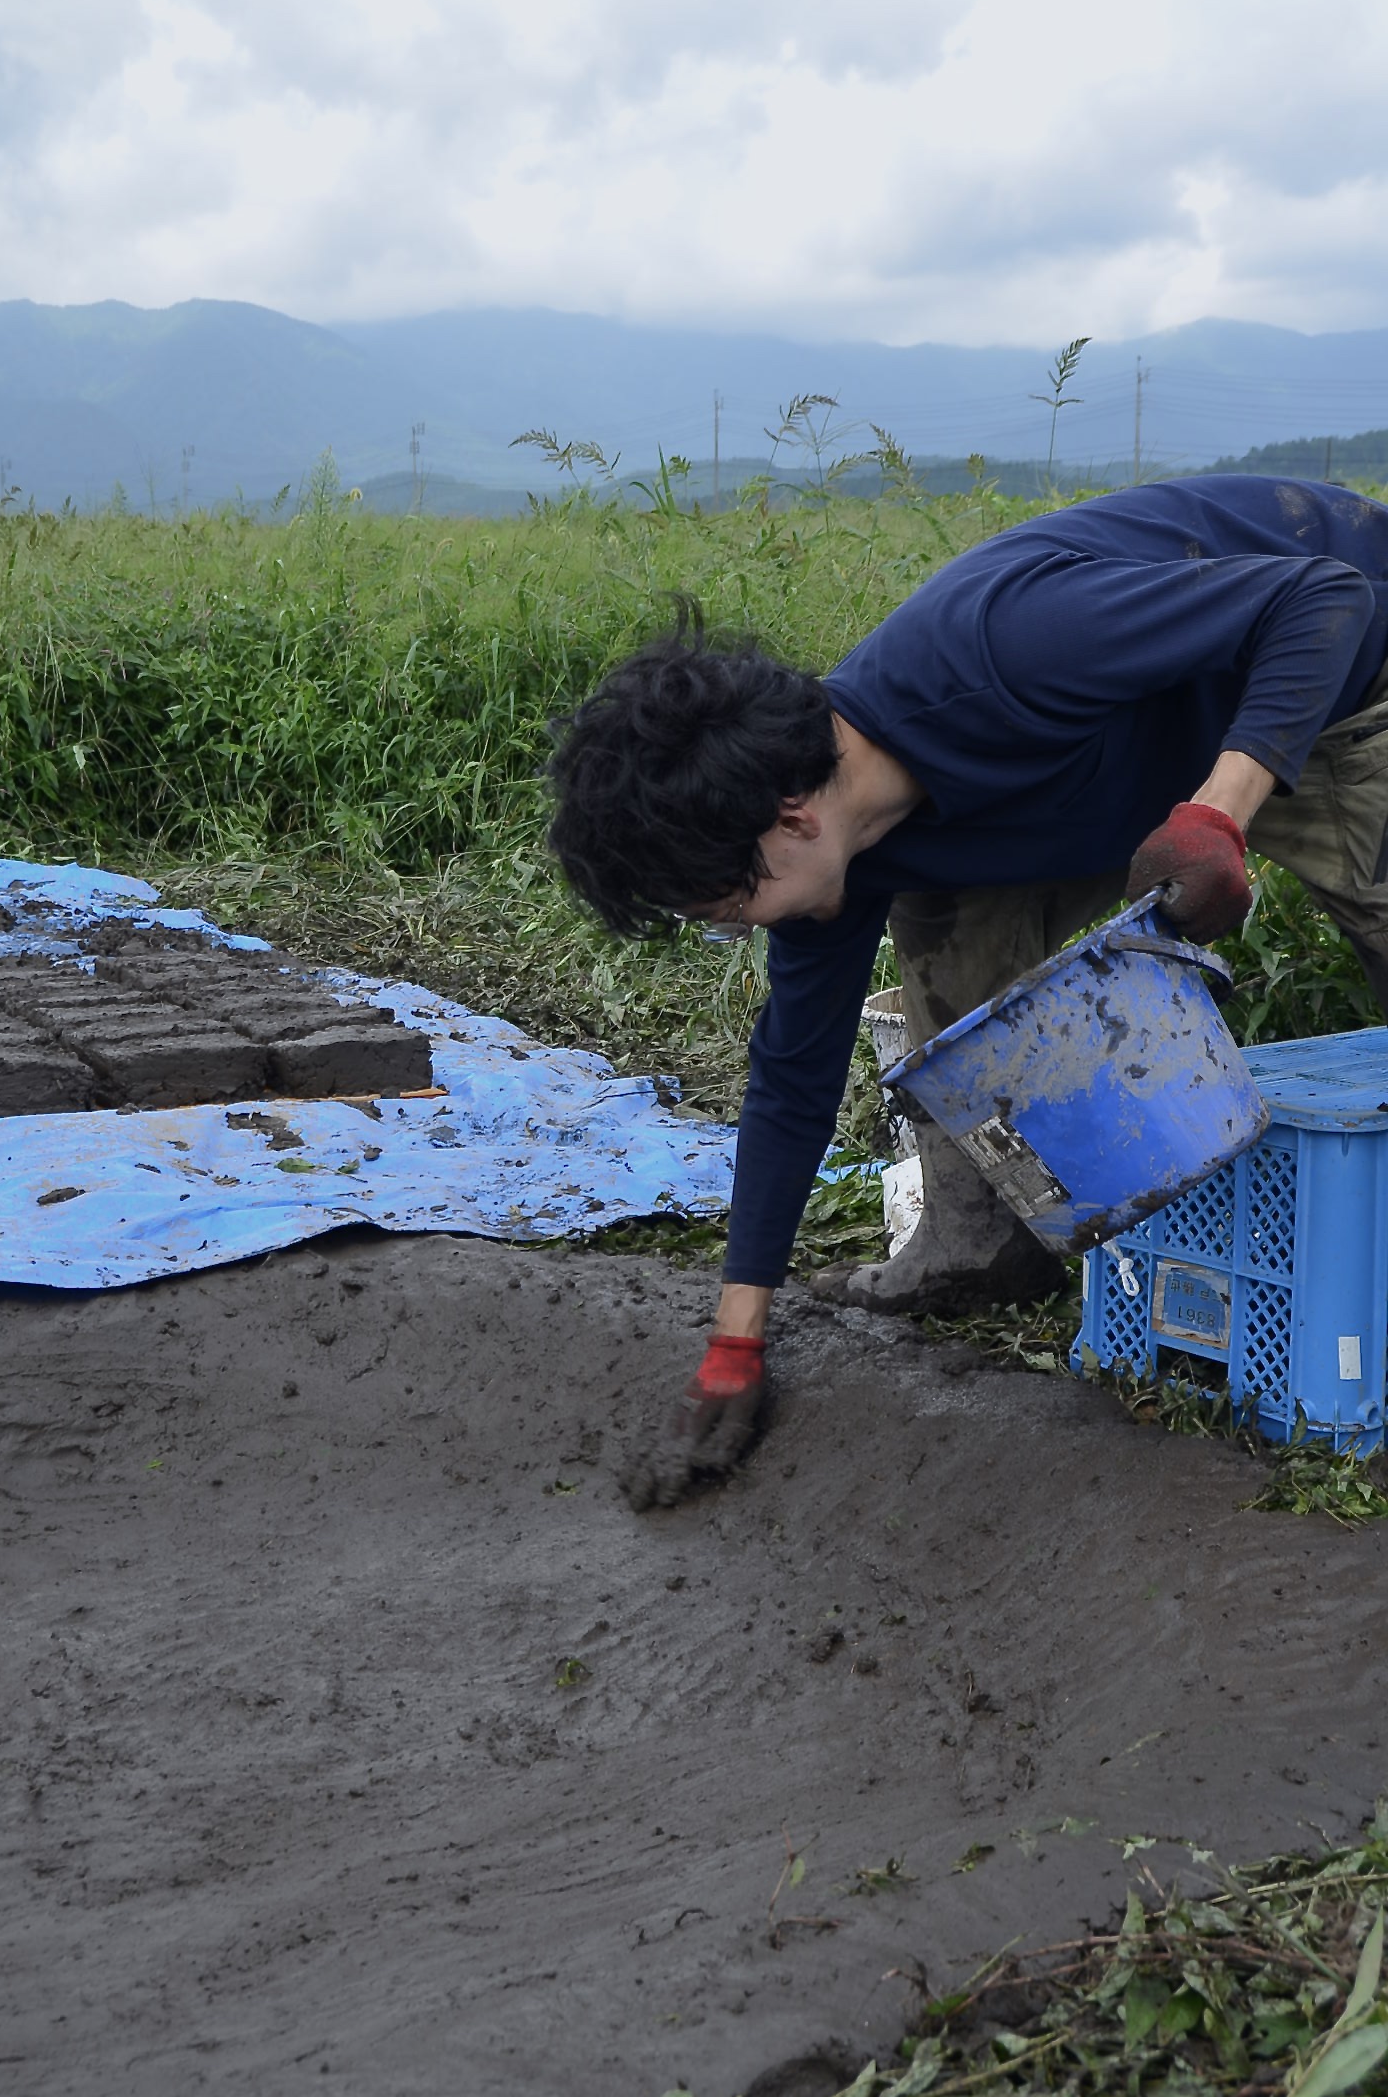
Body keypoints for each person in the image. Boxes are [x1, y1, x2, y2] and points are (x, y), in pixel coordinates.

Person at [547, 474, 1388, 1506]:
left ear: (792, 817)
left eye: (721, 901)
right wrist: (734, 1342)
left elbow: (1326, 597)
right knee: (941, 914)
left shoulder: (1001, 650)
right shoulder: (832, 870)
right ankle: (981, 1239)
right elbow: (791, 1083)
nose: (729, 925)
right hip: (1106, 778)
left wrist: (1218, 812)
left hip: (1322, 679)